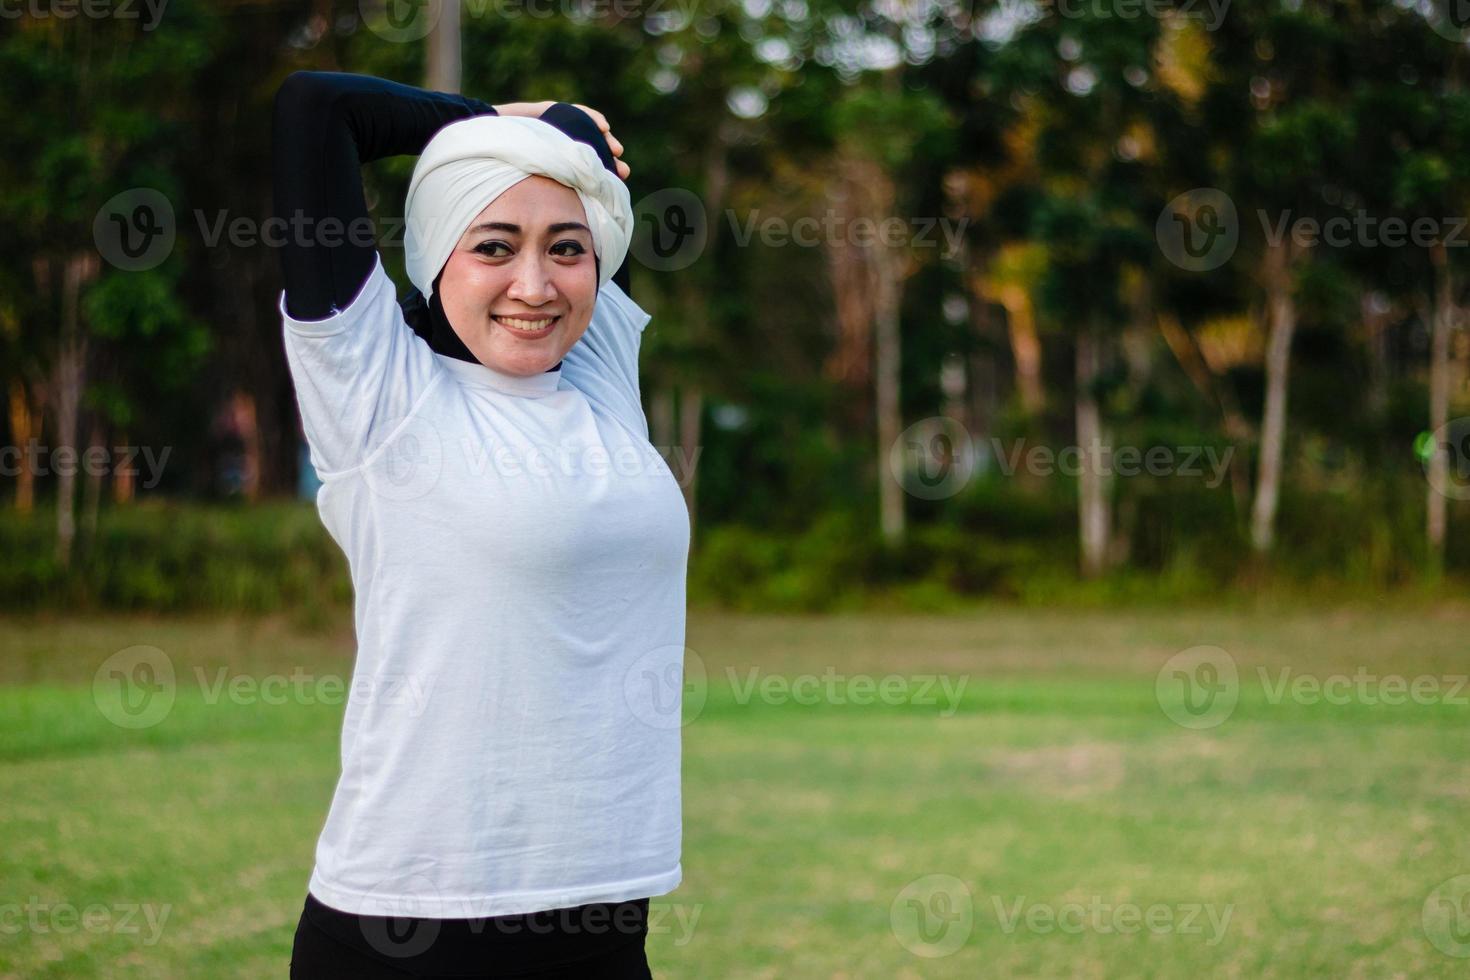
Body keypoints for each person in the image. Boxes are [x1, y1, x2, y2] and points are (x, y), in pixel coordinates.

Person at [271, 70, 691, 979]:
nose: (534, 285)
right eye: (494, 247)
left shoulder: (595, 374)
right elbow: (317, 111)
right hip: (414, 928)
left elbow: (585, 138)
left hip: (604, 920)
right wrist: (497, 121)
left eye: (567, 249)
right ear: (437, 256)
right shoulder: (379, 391)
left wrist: (561, 128)